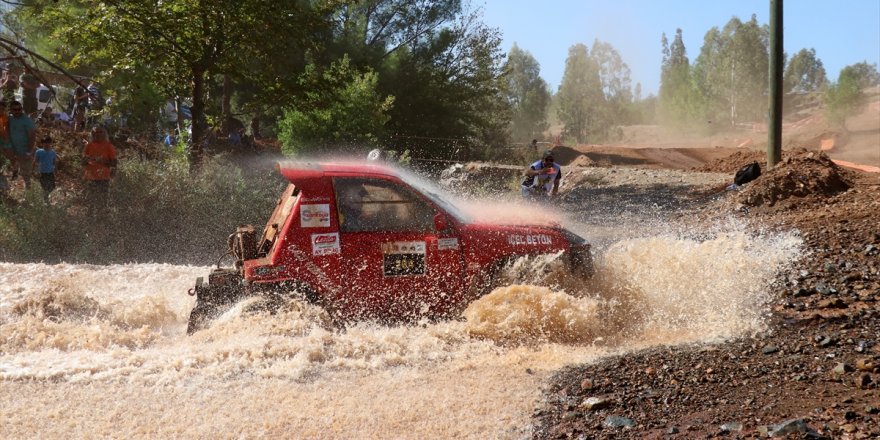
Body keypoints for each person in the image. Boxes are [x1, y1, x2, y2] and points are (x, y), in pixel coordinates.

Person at [81, 125, 118, 213]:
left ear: (104, 133)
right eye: (94, 132)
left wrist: (104, 161)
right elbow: (82, 162)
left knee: (102, 200)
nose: (97, 134)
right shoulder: (89, 145)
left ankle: (101, 219)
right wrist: (87, 160)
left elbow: (115, 163)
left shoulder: (109, 146)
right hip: (90, 177)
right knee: (89, 200)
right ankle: (89, 220)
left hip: (103, 178)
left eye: (99, 132)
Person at [8, 101, 36, 189]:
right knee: (19, 169)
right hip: (14, 150)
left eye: (19, 109)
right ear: (11, 110)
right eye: (15, 109)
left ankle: (29, 193)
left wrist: (29, 151)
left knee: (26, 173)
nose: (18, 111)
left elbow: (32, 136)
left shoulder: (27, 120)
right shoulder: (10, 119)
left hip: (25, 151)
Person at [33, 136, 58, 203]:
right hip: (42, 172)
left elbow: (54, 162)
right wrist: (34, 171)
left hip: (50, 172)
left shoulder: (53, 152)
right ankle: (45, 200)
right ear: (42, 143)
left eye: (49, 143)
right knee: (44, 186)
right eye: (45, 143)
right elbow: (35, 161)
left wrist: (56, 171)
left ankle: (46, 195)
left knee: (52, 186)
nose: (47, 144)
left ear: (51, 143)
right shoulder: (39, 152)